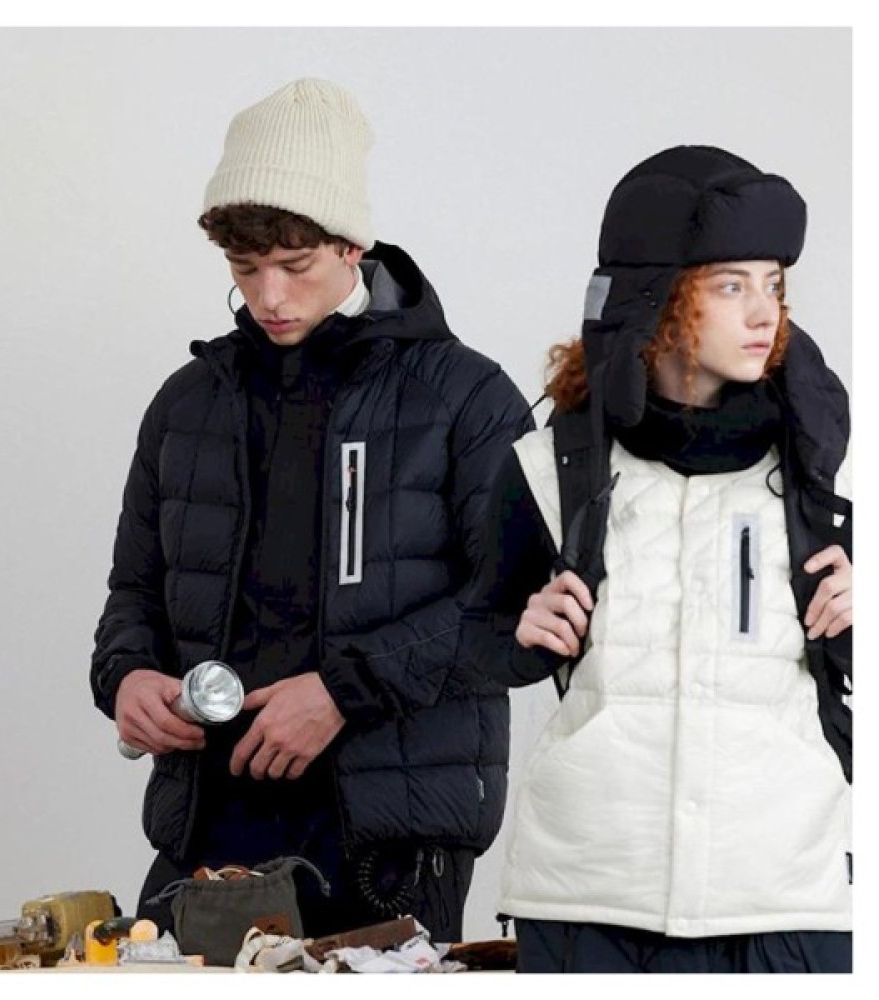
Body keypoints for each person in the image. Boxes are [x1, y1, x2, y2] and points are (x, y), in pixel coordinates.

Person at [89, 77, 533, 942]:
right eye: (244, 268)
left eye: (295, 267)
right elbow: (132, 591)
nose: (270, 297)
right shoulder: (188, 403)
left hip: (386, 839)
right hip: (206, 827)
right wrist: (127, 677)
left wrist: (342, 692)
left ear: (352, 245)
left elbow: (517, 612)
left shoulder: (466, 398)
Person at [462, 145, 851, 973]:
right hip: (589, 901)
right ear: (658, 297)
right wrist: (524, 629)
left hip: (784, 902)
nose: (765, 313)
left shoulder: (831, 478)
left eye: (774, 285)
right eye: (731, 286)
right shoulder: (546, 469)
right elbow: (477, 642)